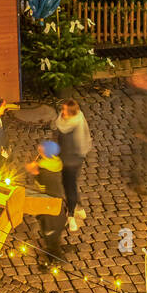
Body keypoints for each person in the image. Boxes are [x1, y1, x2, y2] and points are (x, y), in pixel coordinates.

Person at [53, 97, 92, 231]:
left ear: (71, 113)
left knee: (69, 189)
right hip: (65, 159)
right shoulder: (67, 120)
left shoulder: (76, 125)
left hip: (72, 161)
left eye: (64, 110)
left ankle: (71, 216)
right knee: (70, 185)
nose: (62, 112)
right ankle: (79, 206)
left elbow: (82, 144)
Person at [26, 140, 67, 262]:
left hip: (50, 209)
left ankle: (55, 258)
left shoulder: (45, 172)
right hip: (56, 207)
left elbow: (43, 189)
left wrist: (35, 172)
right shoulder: (54, 164)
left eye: (41, 151)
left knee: (50, 233)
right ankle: (55, 248)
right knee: (54, 233)